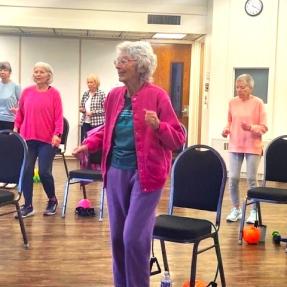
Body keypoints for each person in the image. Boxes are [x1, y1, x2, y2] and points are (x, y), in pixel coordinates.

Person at [72, 41, 185, 287]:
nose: (118, 65)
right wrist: (89, 143)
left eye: (124, 61)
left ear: (140, 64)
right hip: (115, 173)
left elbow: (177, 138)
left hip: (148, 176)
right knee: (117, 239)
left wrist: (158, 126)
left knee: (133, 238)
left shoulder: (157, 96)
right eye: (118, 60)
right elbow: (107, 130)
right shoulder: (113, 96)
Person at [14, 62, 63, 218]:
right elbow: (20, 113)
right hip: (28, 138)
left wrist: (58, 134)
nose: (37, 74)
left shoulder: (54, 94)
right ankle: (28, 205)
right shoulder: (27, 92)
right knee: (26, 171)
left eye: (41, 72)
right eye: (35, 71)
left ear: (49, 75)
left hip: (47, 140)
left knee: (44, 172)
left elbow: (59, 117)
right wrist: (16, 128)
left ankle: (52, 200)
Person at [222, 74, 268, 224]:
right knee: (233, 178)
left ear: (250, 88)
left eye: (243, 87)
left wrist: (251, 128)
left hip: (252, 146)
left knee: (251, 180)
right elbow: (230, 121)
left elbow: (264, 127)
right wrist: (226, 129)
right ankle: (236, 209)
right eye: (237, 87)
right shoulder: (232, 102)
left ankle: (254, 211)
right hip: (235, 145)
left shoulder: (258, 103)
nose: (239, 90)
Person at [79, 74, 105, 142]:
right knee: (86, 142)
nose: (89, 84)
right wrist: (82, 109)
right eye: (88, 82)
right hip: (85, 122)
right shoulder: (85, 93)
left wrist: (93, 113)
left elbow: (105, 109)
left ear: (96, 83)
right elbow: (81, 106)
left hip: (97, 123)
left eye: (91, 82)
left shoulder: (101, 94)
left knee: (95, 143)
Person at [0, 61, 21, 130]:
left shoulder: (16, 86)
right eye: (0, 70)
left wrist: (17, 110)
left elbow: (22, 103)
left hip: (9, 120)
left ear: (10, 72)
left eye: (5, 70)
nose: (2, 72)